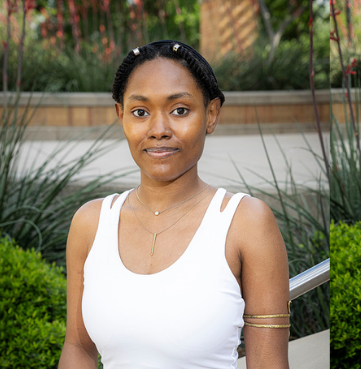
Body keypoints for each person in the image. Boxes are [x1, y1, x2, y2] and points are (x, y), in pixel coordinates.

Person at [58, 40, 290, 369]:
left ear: (211, 114)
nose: (159, 130)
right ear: (121, 115)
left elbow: (269, 363)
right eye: (140, 112)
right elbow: (78, 348)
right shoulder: (91, 223)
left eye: (179, 110)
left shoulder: (245, 223)